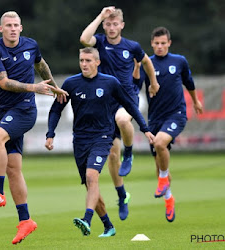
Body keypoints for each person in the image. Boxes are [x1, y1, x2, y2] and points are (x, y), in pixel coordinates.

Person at [0, 11, 68, 245]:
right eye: (8, 25)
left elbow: (41, 63)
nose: (13, 29)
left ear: (21, 27)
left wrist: (54, 87)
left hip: (25, 111)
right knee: (14, 169)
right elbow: (3, 82)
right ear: (1, 29)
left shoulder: (31, 45)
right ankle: (26, 220)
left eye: (16, 25)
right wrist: (33, 87)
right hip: (4, 111)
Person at [45, 47, 154, 237]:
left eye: (88, 61)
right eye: (81, 61)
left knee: (92, 177)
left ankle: (86, 220)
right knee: (91, 186)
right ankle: (108, 226)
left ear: (97, 62)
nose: (84, 64)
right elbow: (56, 110)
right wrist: (50, 133)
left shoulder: (110, 83)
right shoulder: (71, 84)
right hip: (80, 140)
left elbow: (130, 105)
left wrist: (145, 129)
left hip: (103, 137)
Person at [79, 6, 160, 220]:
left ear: (122, 25)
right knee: (112, 156)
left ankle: (130, 153)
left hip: (126, 98)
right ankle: (122, 195)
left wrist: (153, 82)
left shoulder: (132, 46)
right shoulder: (100, 42)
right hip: (105, 102)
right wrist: (100, 16)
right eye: (108, 24)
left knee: (123, 119)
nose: (112, 27)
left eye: (115, 24)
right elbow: (84, 38)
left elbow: (147, 62)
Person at [132, 26, 203, 222]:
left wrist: (195, 101)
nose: (160, 46)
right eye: (157, 44)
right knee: (159, 161)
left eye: (164, 43)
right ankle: (169, 198)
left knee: (160, 143)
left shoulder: (179, 61)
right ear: (152, 44)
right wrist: (137, 69)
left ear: (169, 43)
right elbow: (136, 87)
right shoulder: (147, 64)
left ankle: (163, 177)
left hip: (176, 114)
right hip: (155, 119)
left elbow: (189, 82)